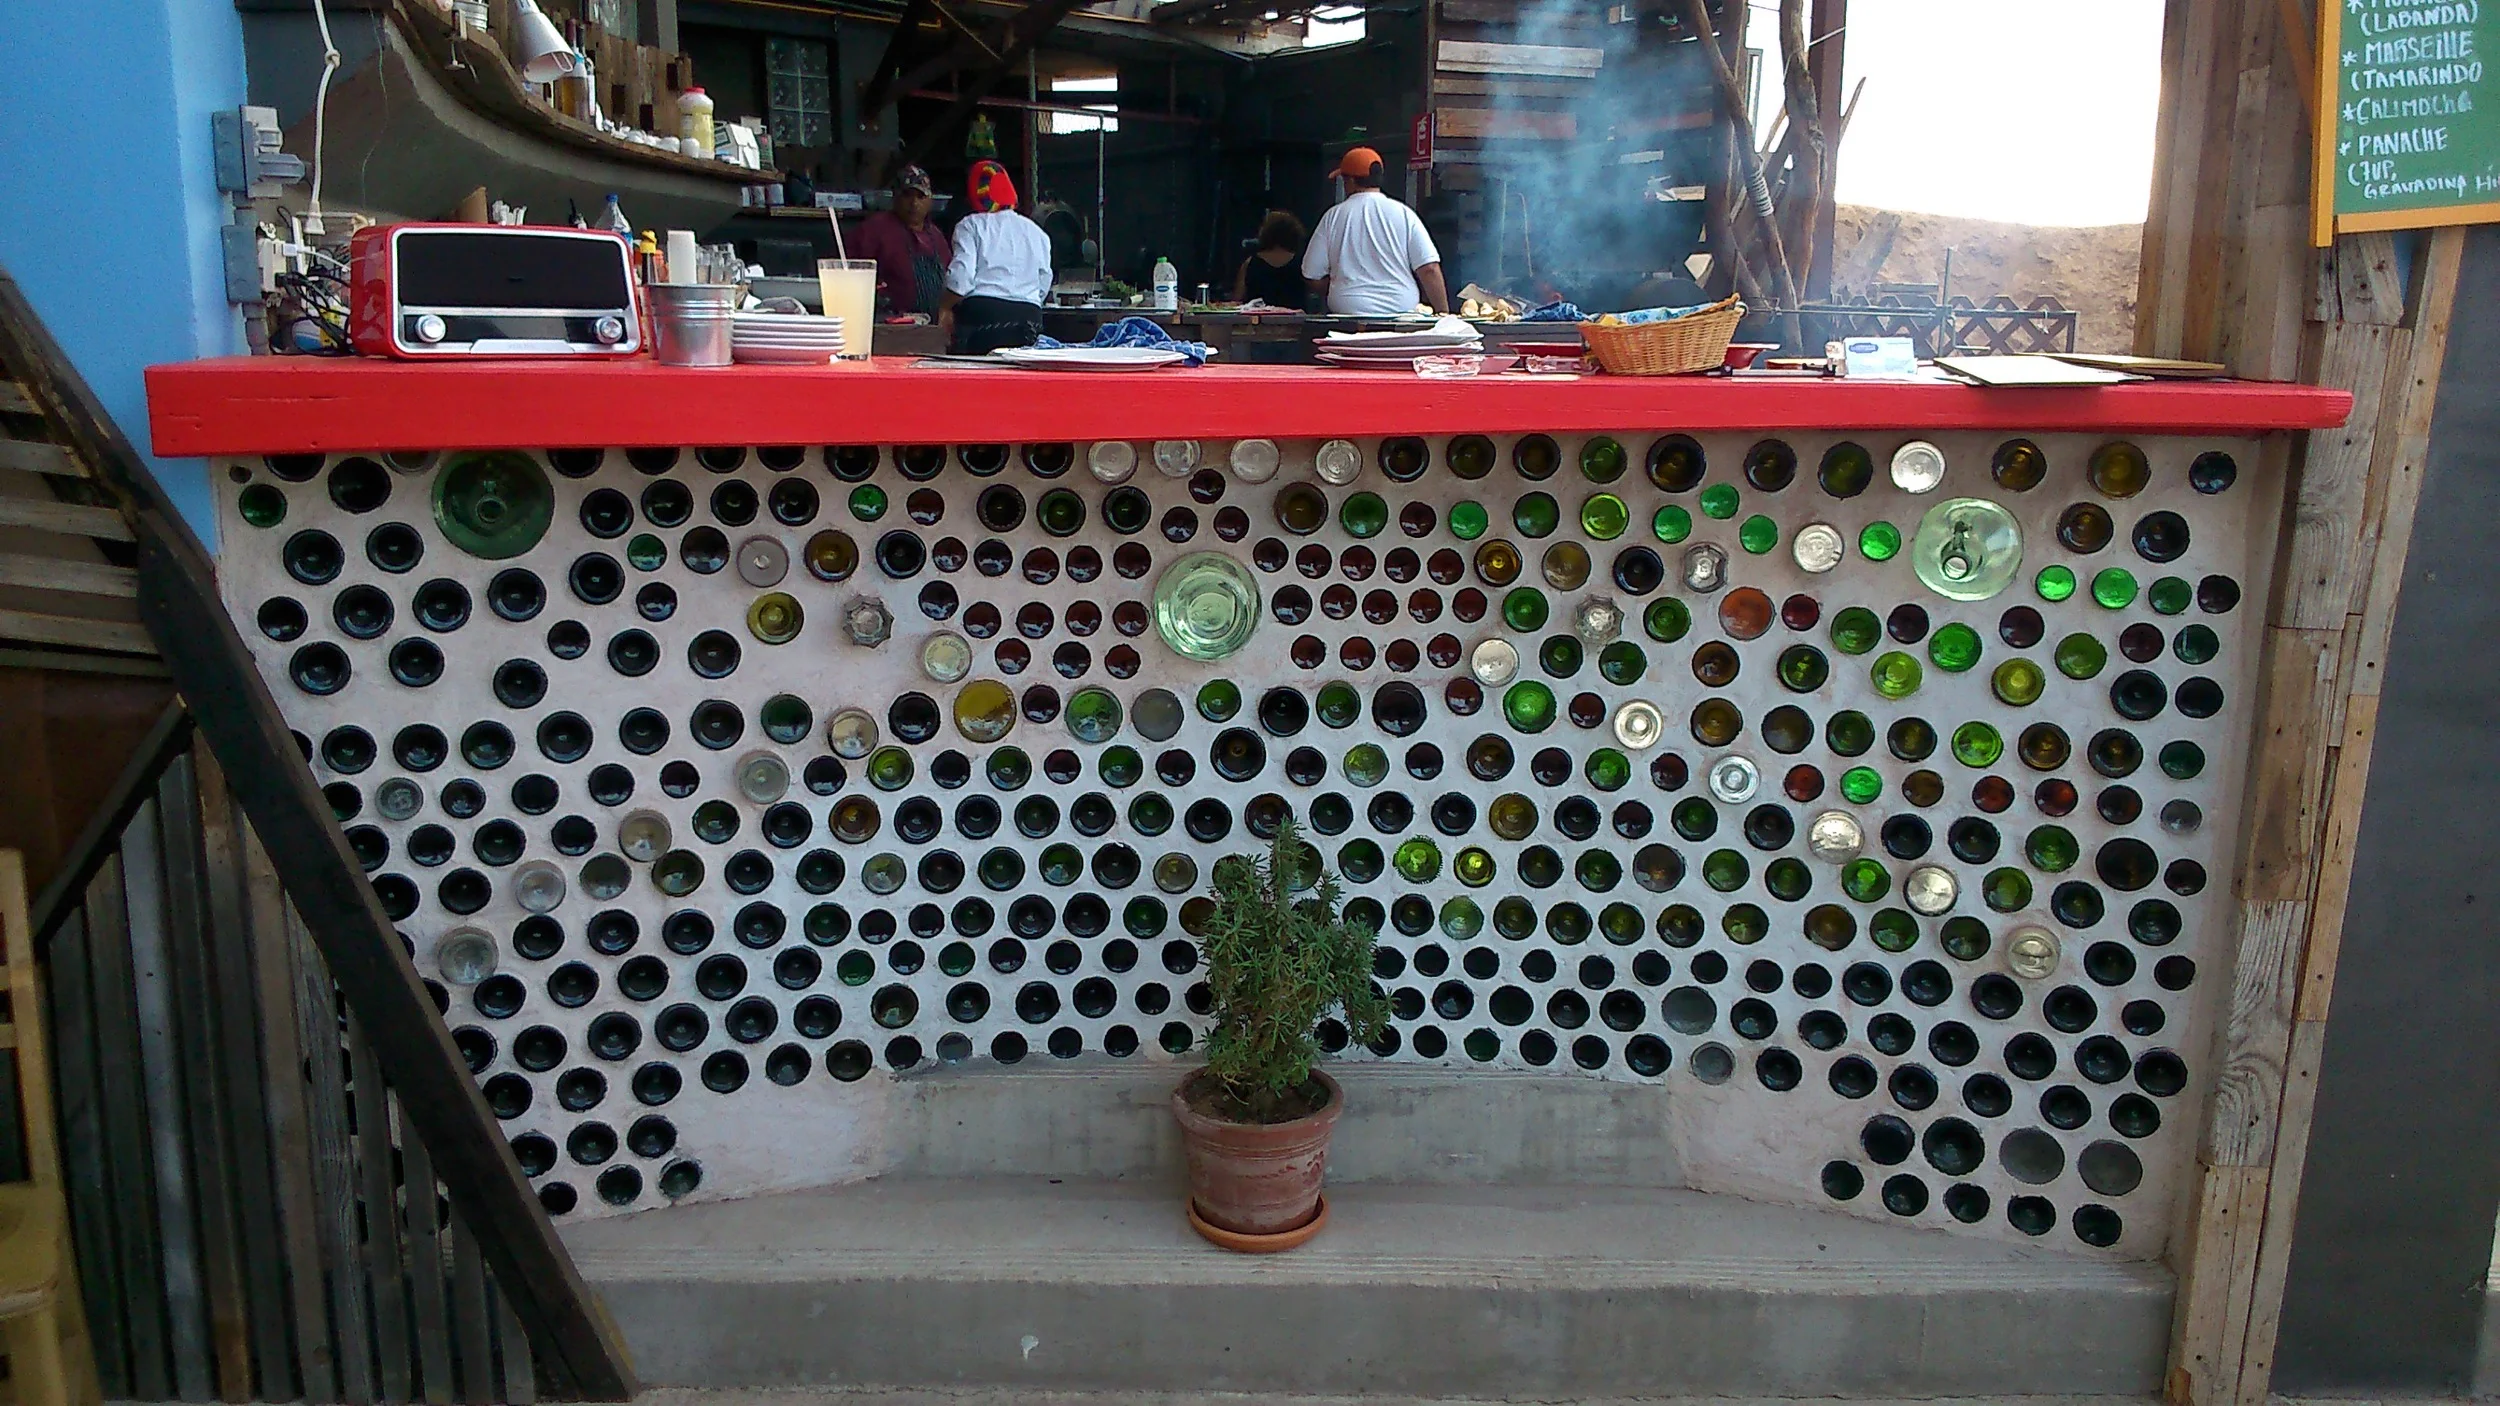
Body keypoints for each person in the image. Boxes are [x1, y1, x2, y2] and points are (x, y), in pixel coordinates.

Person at [1301, 147, 1449, 317]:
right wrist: (1444, 315)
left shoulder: (1333, 217)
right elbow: (1429, 268)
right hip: (1401, 313)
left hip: (1348, 315)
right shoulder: (1404, 214)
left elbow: (1311, 274)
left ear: (1349, 181)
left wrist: (1340, 288)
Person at [940, 160, 1054, 354]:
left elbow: (962, 278)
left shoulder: (971, 225)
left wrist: (944, 307)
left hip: (983, 317)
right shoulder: (1037, 232)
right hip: (1029, 318)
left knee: (977, 379)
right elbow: (1044, 282)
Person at [850, 164, 951, 317]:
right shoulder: (873, 230)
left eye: (920, 197)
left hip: (934, 327)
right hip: (891, 325)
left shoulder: (936, 236)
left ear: (930, 200)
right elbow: (852, 277)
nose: (914, 203)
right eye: (907, 195)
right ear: (894, 196)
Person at [1232, 210, 1308, 308]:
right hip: (1294, 322)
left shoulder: (1250, 263)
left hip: (1257, 321)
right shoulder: (1302, 263)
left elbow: (1237, 299)